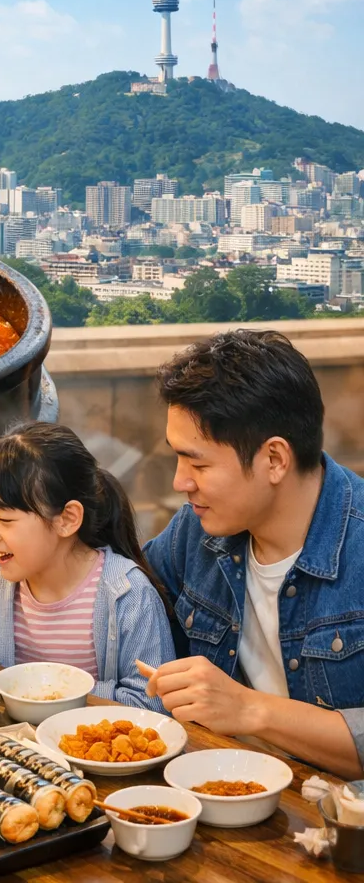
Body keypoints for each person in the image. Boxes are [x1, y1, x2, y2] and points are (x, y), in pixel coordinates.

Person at [143, 330, 364, 779]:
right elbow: (120, 586)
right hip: (219, 788)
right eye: (178, 460)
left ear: (275, 460)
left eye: (199, 464)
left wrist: (250, 710)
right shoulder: (197, 528)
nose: (180, 482)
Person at [0, 422, 178, 710]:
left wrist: (50, 692)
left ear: (67, 519)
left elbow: (152, 701)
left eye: (6, 520)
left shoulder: (127, 593)